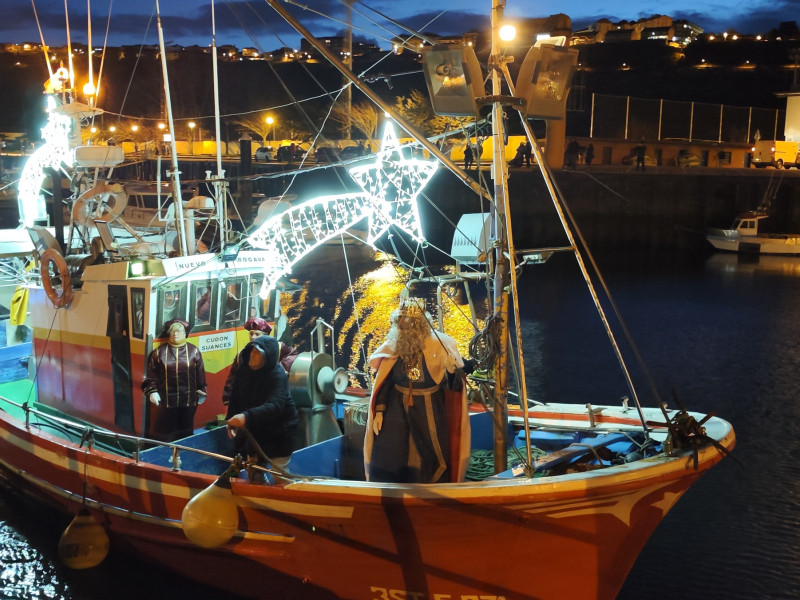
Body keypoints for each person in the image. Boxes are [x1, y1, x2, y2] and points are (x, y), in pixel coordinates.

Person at [363, 298, 471, 484]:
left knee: (432, 448)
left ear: (420, 323)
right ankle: (390, 483)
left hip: (428, 403)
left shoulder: (441, 344)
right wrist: (379, 411)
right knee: (391, 445)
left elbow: (452, 385)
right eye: (402, 321)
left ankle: (434, 484)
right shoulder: (394, 345)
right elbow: (385, 381)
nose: (405, 325)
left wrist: (453, 371)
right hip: (397, 403)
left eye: (409, 322)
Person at [225, 334, 300, 477]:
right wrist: (231, 419)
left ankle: (283, 496)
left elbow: (275, 405)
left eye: (257, 352)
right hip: (256, 433)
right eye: (251, 351)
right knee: (253, 474)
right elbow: (235, 396)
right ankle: (258, 497)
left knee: (279, 475)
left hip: (280, 434)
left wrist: (246, 417)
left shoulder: (278, 375)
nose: (252, 355)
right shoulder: (244, 370)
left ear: (268, 356)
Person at [142, 319, 207, 442]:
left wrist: (201, 391)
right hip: (166, 401)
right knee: (166, 433)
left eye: (179, 331)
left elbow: (200, 374)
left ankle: (185, 456)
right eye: (172, 331)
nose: (175, 334)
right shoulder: (159, 352)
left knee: (186, 433)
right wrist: (152, 391)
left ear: (185, 333)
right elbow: (151, 376)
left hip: (188, 401)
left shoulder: (194, 351)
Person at [221, 317, 299, 407]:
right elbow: (233, 378)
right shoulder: (243, 354)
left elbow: (293, 354)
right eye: (251, 334)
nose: (253, 337)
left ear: (265, 336)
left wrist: (279, 370)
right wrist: (228, 399)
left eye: (257, 334)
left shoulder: (278, 347)